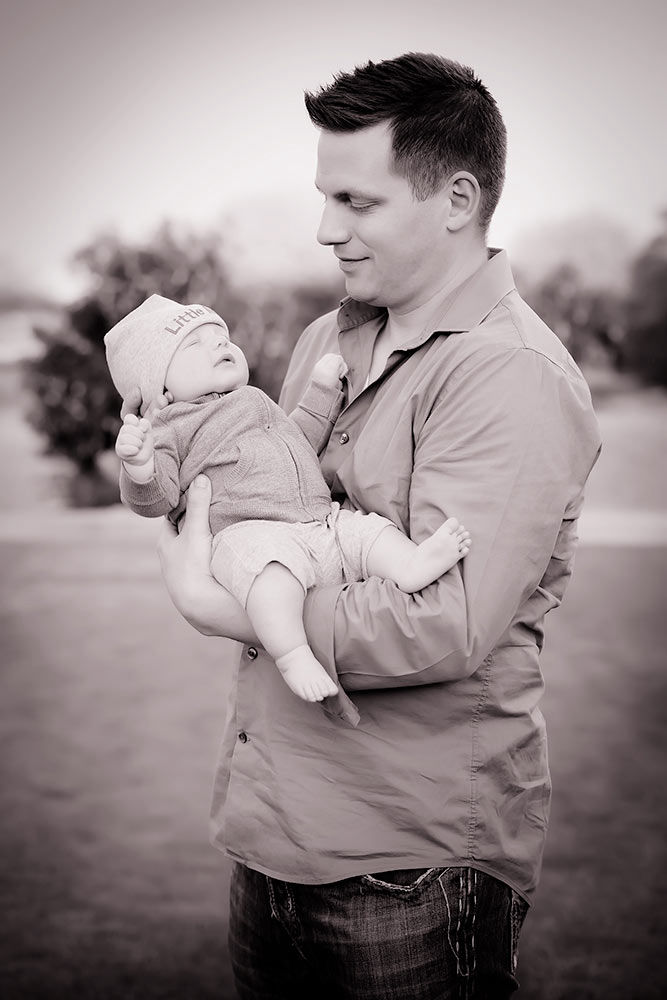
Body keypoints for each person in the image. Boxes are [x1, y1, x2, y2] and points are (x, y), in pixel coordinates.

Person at [132, 53, 601, 998]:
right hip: (270, 833)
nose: (323, 228)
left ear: (458, 198)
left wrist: (223, 609)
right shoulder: (325, 341)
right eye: (323, 196)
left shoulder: (507, 374)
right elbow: (248, 500)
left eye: (356, 201)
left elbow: (446, 622)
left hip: (413, 869)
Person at [106, 294, 471, 704]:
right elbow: (158, 498)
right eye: (195, 344)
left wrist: (321, 390)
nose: (220, 345)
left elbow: (298, 441)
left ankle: (410, 564)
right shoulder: (169, 428)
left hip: (318, 522)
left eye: (222, 337)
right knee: (270, 579)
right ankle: (292, 653)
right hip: (249, 535)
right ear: (160, 388)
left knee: (367, 531)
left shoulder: (253, 400)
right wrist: (139, 467)